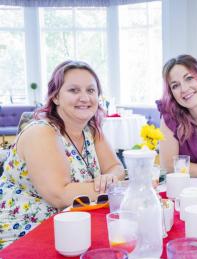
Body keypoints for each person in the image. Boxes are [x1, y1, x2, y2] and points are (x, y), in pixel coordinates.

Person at [0, 60, 125, 249]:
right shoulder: (41, 132)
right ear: (56, 97)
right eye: (74, 90)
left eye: (91, 90)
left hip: (71, 224)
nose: (85, 98)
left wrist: (110, 178)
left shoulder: (91, 130)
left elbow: (116, 168)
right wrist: (119, 189)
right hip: (24, 235)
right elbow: (60, 194)